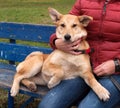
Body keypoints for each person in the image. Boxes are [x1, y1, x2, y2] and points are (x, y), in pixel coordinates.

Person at [38, 0, 120, 108]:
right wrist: (56, 41)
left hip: (114, 73)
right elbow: (65, 23)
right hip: (80, 71)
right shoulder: (83, 2)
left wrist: (117, 64)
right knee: (47, 106)